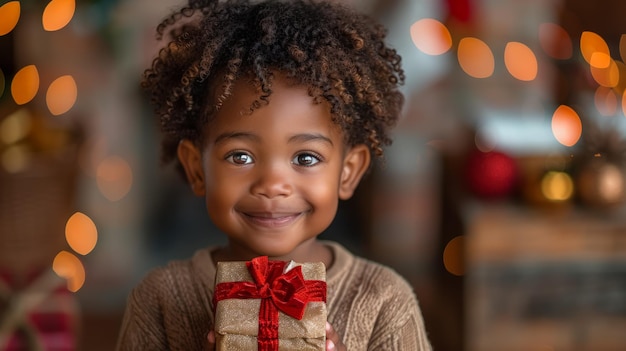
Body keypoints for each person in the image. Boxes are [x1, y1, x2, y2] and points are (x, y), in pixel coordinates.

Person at [116, 0, 432, 350]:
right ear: (196, 168)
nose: (272, 185)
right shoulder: (158, 298)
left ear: (348, 172)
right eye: (240, 156)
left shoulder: (385, 301)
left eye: (306, 158)